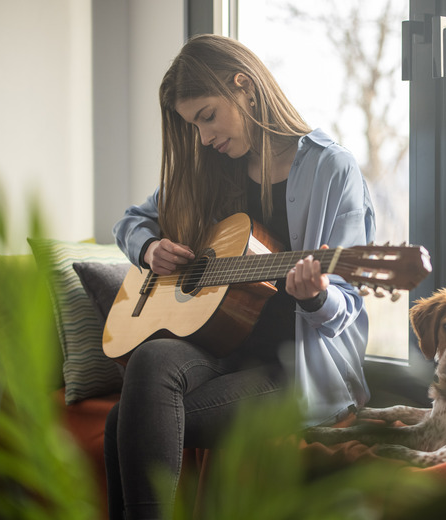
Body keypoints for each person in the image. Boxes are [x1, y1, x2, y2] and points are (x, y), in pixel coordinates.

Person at [104, 34, 375, 519]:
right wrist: (147, 248)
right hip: (222, 349)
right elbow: (130, 220)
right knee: (151, 358)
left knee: (122, 422)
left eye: (207, 117)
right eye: (194, 126)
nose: (204, 138)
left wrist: (316, 298)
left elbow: (346, 306)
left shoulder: (332, 169)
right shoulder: (211, 168)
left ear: (243, 86)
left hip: (292, 372)